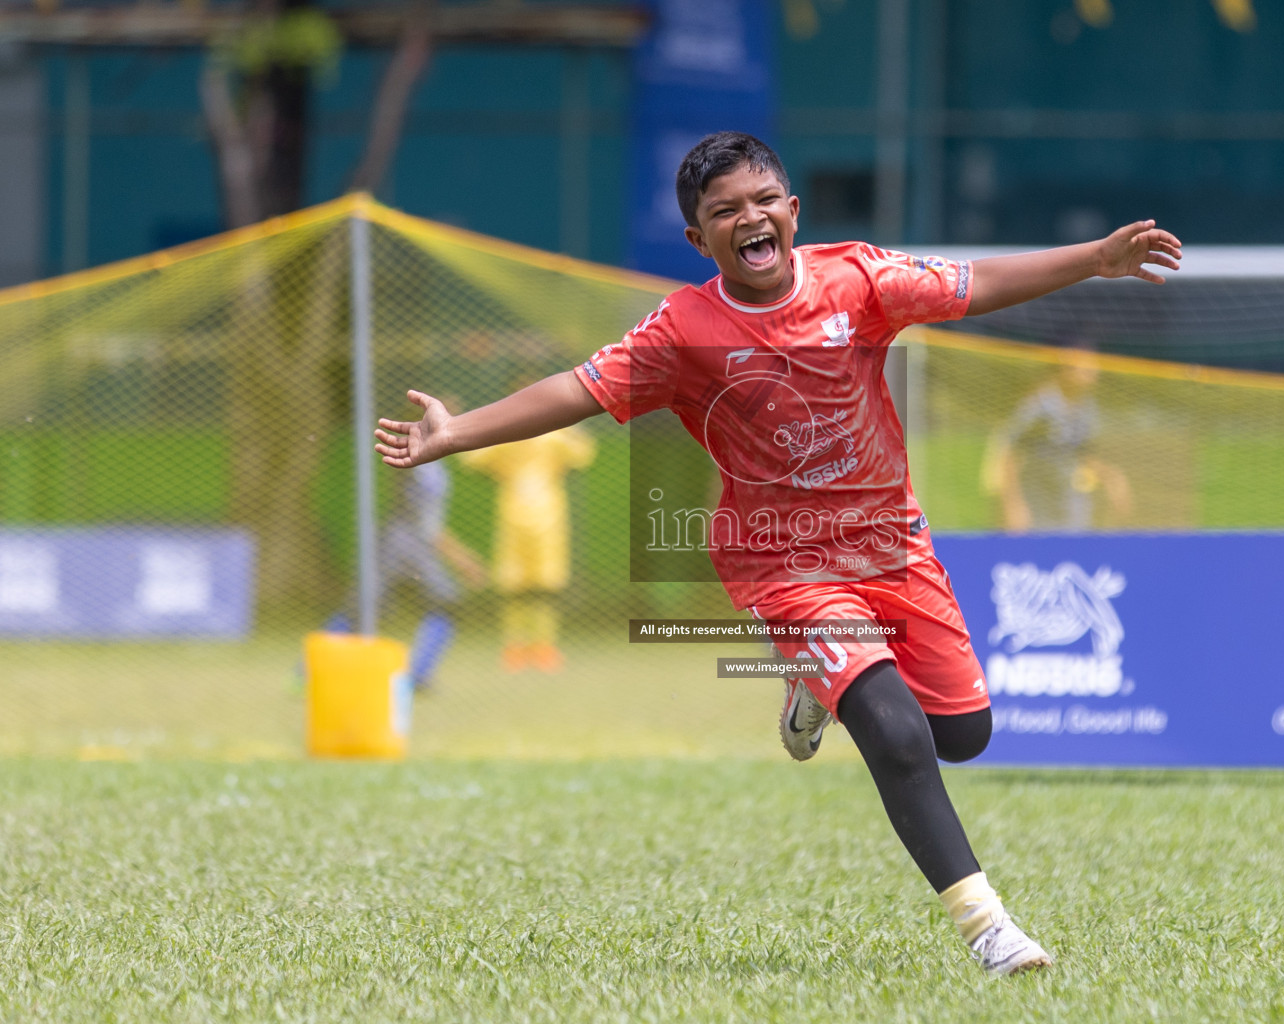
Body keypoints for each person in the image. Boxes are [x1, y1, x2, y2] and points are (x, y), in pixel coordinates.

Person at [374, 131, 1180, 975]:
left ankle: (808, 690)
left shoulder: (858, 279)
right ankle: (990, 929)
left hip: (890, 545)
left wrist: (1097, 257)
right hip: (781, 562)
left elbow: (975, 285)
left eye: (762, 202)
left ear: (792, 213)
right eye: (724, 211)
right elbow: (577, 389)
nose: (748, 219)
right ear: (700, 239)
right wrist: (456, 431)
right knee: (896, 733)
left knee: (964, 734)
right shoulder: (683, 328)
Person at [317, 456, 486, 690]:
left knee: (444, 605)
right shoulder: (420, 465)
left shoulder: (434, 466)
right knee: (360, 608)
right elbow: (425, 524)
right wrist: (461, 559)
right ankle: (308, 671)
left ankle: (418, 674)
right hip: (402, 545)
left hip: (410, 545)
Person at [459, 424, 594, 672]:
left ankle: (544, 645)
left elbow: (582, 455)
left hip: (547, 518)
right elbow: (473, 460)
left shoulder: (550, 435)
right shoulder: (508, 435)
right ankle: (515, 646)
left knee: (545, 585)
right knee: (514, 586)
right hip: (516, 516)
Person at [981, 339, 1132, 532]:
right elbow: (1011, 453)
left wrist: (1111, 477)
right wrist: (1014, 504)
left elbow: (1082, 454)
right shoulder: (1041, 405)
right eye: (1087, 368)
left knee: (1073, 551)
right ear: (1066, 369)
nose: (1094, 373)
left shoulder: (1087, 407)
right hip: (1034, 496)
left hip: (1067, 498)